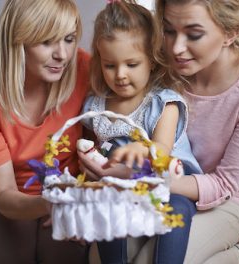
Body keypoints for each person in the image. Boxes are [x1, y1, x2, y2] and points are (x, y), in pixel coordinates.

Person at [79, 0, 239, 263]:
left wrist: (139, 179)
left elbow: (224, 184)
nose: (175, 48)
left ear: (231, 30)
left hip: (223, 200)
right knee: (99, 258)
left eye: (194, 34)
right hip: (154, 191)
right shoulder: (159, 63)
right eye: (168, 29)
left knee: (150, 260)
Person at [0, 0, 90, 263]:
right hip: (8, 198)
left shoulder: (85, 68)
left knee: (61, 254)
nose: (63, 55)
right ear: (16, 42)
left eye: (69, 39)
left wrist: (78, 201)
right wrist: (50, 203)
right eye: (46, 42)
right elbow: (5, 194)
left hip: (70, 191)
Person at [80, 1, 202, 263]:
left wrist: (142, 147)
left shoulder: (163, 103)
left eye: (132, 64)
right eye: (110, 65)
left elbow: (162, 150)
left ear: (152, 60)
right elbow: (93, 149)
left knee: (177, 209)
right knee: (104, 204)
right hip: (123, 187)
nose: (120, 75)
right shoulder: (96, 105)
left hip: (170, 184)